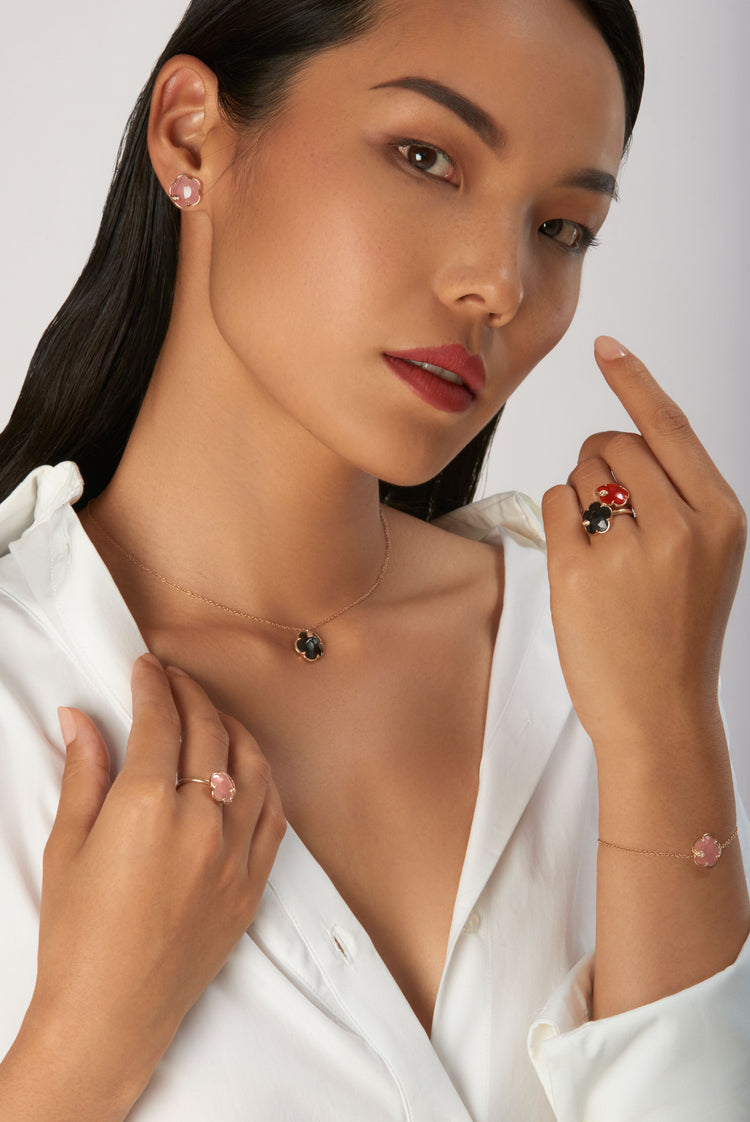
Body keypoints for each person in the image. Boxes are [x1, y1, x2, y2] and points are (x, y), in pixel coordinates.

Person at [0, 0, 748, 1118]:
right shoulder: (24, 681)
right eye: (426, 158)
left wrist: (665, 736)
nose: (501, 284)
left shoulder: (598, 662)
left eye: (562, 228)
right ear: (192, 134)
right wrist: (82, 1044)